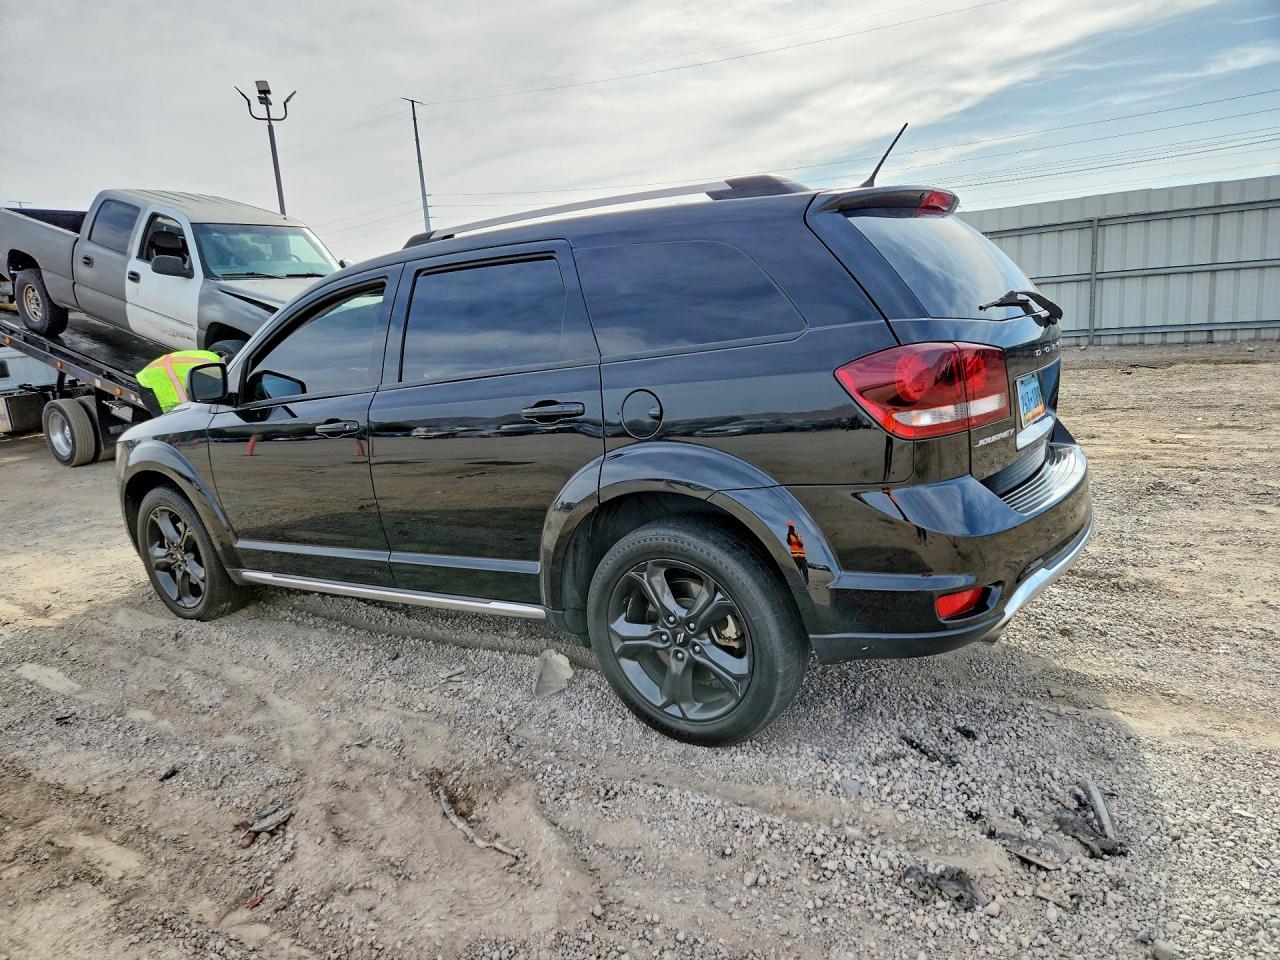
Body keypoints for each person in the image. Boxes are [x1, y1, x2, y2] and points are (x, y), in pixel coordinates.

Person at [136, 350, 222, 413]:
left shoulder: (212, 357)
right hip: (150, 384)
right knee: (167, 425)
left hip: (154, 373)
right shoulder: (211, 375)